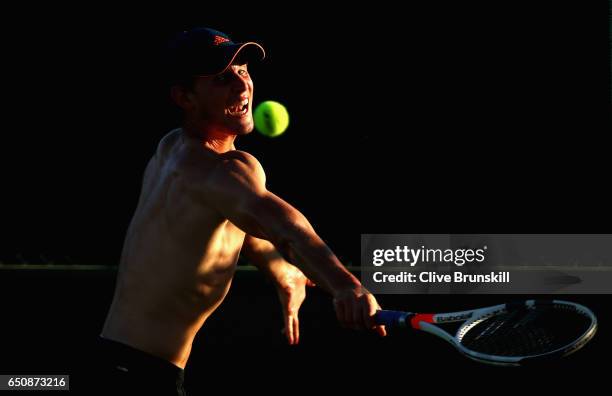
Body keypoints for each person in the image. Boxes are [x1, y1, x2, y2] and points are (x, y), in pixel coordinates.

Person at [98, 27, 385, 395]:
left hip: (111, 361)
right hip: (144, 378)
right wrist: (347, 287)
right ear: (184, 97)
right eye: (221, 79)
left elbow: (232, 218)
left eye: (243, 70)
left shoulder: (171, 149)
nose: (242, 86)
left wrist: (282, 271)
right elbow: (285, 228)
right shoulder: (226, 170)